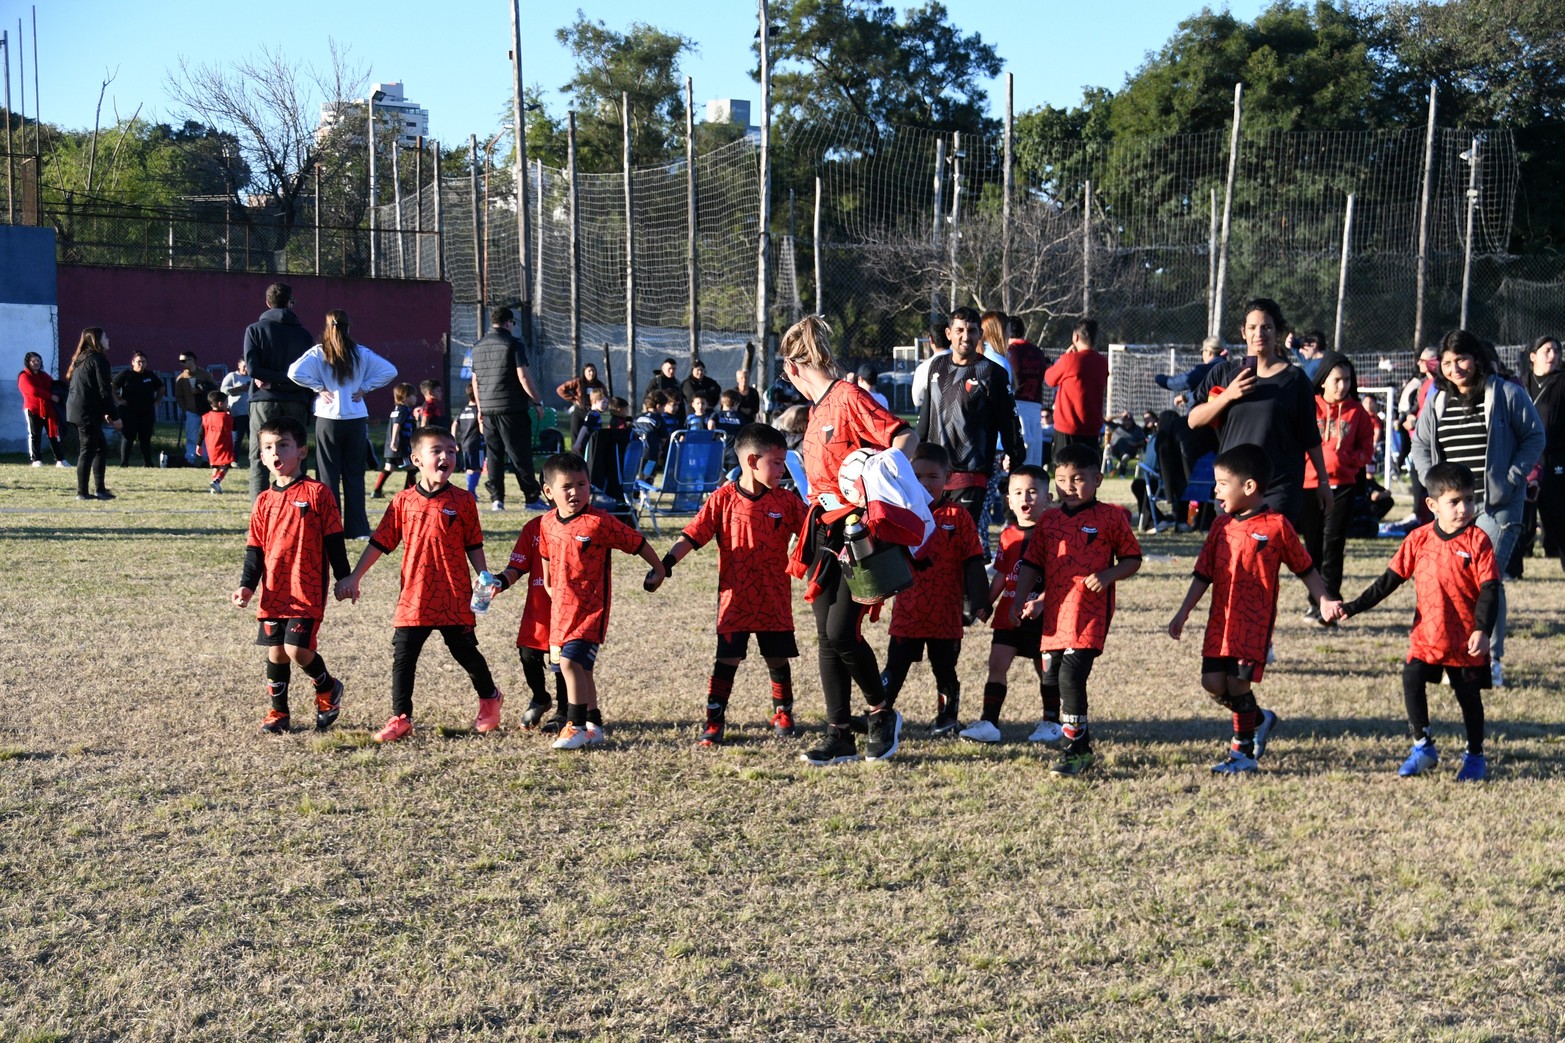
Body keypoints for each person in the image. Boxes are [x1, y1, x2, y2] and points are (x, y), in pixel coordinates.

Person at [782, 315, 917, 766]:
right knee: (826, 635)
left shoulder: (846, 396)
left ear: (794, 368)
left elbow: (904, 436)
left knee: (842, 630)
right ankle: (839, 732)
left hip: (857, 531)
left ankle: (881, 713)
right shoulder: (817, 409)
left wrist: (874, 477)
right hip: (823, 529)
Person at [1166, 444, 1338, 774]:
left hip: (1252, 626)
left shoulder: (1277, 526)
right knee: (1213, 683)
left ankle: (1242, 755)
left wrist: (1324, 598)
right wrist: (1183, 612)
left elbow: (1305, 568)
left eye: (1221, 483)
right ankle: (1259, 719)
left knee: (1239, 685)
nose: (1215, 490)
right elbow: (1203, 574)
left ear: (1249, 487)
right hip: (1221, 623)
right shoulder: (1220, 527)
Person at [1322, 463, 1497, 782]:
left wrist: (1482, 630)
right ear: (1432, 505)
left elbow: (1491, 589)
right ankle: (1423, 747)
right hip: (1427, 635)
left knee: (1468, 697)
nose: (1464, 508)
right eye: (1454, 502)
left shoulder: (1478, 541)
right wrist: (1353, 607)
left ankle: (1475, 755)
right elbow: (1388, 581)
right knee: (1411, 679)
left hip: (1465, 640)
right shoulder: (1418, 539)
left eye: (1470, 500)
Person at [335, 427, 507, 743]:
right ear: (416, 459)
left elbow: (474, 544)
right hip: (415, 595)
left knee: (465, 652)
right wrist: (354, 577)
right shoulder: (402, 501)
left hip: (453, 594)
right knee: (404, 655)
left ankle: (489, 697)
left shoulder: (464, 500)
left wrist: (484, 577)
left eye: (452, 451)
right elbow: (380, 543)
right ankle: (401, 718)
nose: (446, 457)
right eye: (437, 451)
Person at [1409, 329, 1544, 688]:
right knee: (1457, 580)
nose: (1455, 369)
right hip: (1452, 509)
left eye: (1462, 360)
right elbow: (1420, 445)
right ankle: (1458, 656)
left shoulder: (1506, 393)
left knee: (1486, 581)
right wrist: (1432, 482)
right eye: (1448, 363)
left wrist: (1514, 475)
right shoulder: (1436, 400)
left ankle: (1491, 660)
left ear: (1477, 359)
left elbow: (1535, 436)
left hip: (1496, 506)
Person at [660, 423, 807, 745]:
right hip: (735, 600)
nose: (783, 470)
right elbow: (692, 535)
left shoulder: (786, 501)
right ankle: (715, 720)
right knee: (727, 659)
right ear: (752, 461)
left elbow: (812, 532)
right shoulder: (722, 499)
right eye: (777, 463)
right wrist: (665, 565)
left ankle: (783, 710)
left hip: (774, 598)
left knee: (777, 658)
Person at [1013, 442, 1143, 776]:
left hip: (1089, 615)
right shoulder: (1049, 519)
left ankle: (1073, 752)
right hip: (1055, 615)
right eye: (1061, 479)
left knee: (1071, 676)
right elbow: (1032, 562)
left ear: (1097, 479)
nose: (1069, 486)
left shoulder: (1110, 517)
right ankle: (1082, 746)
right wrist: (1020, 598)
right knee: (1052, 678)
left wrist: (1108, 574)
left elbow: (1132, 559)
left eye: (1078, 478)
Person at [533, 452, 668, 750]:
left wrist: (659, 569)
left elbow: (638, 543)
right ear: (548, 492)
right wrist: (550, 585)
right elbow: (545, 554)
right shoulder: (546, 523)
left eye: (582, 485)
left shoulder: (599, 522)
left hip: (590, 610)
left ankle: (576, 725)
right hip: (561, 611)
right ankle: (594, 724)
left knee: (570, 663)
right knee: (580, 669)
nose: (575, 492)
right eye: (567, 486)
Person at [232, 415, 349, 735]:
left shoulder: (318, 494)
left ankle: (327, 688)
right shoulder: (263, 501)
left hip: (306, 587)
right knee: (276, 651)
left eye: (283, 445)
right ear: (260, 455)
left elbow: (334, 539)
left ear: (302, 451)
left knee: (297, 649)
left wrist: (344, 577)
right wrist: (246, 586)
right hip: (274, 589)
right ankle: (278, 712)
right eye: (268, 447)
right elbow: (255, 549)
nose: (275, 453)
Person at [1191, 298, 1330, 525]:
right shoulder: (1224, 373)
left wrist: (1323, 483)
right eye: (1252, 327)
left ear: (1277, 332)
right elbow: (1193, 420)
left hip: (1277, 487)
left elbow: (1310, 437)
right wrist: (1228, 395)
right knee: (1232, 558)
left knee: (1264, 556)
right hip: (1231, 486)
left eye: (1266, 327)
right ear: (1243, 333)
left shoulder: (1295, 380)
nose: (1259, 333)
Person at [882, 443, 987, 736]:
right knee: (896, 665)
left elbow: (974, 560)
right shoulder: (901, 514)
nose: (925, 483)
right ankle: (880, 712)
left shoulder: (958, 517)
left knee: (945, 669)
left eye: (932, 477)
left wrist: (979, 599)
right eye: (917, 476)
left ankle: (947, 718)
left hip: (945, 614)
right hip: (908, 611)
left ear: (948, 477)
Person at [960, 465, 1056, 745]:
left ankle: (1051, 722)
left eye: (1033, 492)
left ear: (1048, 498)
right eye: (1018, 493)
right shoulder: (1008, 535)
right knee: (997, 664)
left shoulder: (1055, 532)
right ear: (1010, 501)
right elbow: (1002, 574)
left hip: (1043, 616)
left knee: (1047, 671)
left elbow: (1062, 578)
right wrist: (986, 603)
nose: (1025, 498)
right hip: (1009, 613)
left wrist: (1040, 601)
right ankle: (989, 722)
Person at [287, 309, 399, 539]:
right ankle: (358, 530)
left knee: (327, 475)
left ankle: (330, 528)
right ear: (349, 327)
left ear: (327, 327)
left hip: (327, 420)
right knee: (354, 475)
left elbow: (293, 372)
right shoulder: (360, 352)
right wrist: (365, 387)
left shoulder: (318, 352)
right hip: (355, 419)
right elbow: (390, 371)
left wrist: (318, 388)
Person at [916, 305, 1023, 536]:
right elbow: (926, 415)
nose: (966, 337)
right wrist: (913, 454)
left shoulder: (992, 372)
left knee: (959, 539)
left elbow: (1009, 422)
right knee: (931, 539)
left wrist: (1016, 460)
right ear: (948, 333)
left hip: (971, 474)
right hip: (934, 473)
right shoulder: (937, 366)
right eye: (960, 330)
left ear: (979, 334)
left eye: (972, 331)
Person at [1299, 357, 1374, 618]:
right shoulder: (1308, 408)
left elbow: (1367, 448)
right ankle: (1315, 600)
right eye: (1337, 380)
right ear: (1322, 382)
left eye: (1347, 380)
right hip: (1309, 485)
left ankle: (1331, 599)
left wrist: (1349, 462)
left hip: (1343, 486)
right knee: (1313, 544)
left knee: (1333, 543)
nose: (1342, 386)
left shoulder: (1357, 412)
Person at [488, 513, 568, 734]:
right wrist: (501, 581)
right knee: (528, 654)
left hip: (568, 607)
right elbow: (517, 565)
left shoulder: (586, 525)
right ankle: (540, 698)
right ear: (548, 491)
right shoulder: (534, 527)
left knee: (562, 660)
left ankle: (564, 711)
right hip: (539, 608)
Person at [470, 306, 547, 512]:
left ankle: (497, 499)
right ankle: (531, 498)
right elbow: (523, 376)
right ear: (509, 323)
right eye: (513, 323)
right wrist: (537, 402)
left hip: (487, 409)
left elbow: (475, 380)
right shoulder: (513, 344)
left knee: (493, 455)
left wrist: (480, 408)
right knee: (519, 454)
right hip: (511, 408)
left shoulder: (477, 347)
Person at [243, 283, 315, 498]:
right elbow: (307, 374)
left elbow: (253, 369)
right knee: (296, 455)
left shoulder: (254, 330)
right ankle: (297, 505)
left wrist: (272, 383)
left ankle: (260, 512)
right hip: (296, 400)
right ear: (290, 302)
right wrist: (289, 382)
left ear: (267, 302)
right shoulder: (304, 335)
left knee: (260, 455)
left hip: (264, 400)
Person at [1516, 335, 1563, 576]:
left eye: (1556, 350)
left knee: (1554, 505)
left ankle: (1552, 546)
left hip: (1555, 457)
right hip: (1526, 455)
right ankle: (1523, 549)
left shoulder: (1561, 382)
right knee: (1524, 505)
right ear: (1533, 356)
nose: (1553, 355)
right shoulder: (1521, 384)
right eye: (1548, 350)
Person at [64, 327, 122, 501]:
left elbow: (92, 389)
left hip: (77, 410)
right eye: (105, 336)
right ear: (96, 340)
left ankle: (100, 489)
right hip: (85, 412)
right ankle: (82, 493)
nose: (108, 338)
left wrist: (104, 411)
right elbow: (104, 390)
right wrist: (115, 415)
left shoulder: (81, 359)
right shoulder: (98, 359)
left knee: (99, 448)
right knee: (88, 451)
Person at [1044, 318, 1109, 463]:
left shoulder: (1070, 360)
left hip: (1068, 425)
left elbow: (1049, 378)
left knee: (1065, 467)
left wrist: (1065, 357)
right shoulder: (1102, 362)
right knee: (1086, 469)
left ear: (1076, 337)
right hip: (1091, 425)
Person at [1005, 316, 1048, 467]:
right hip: (1035, 407)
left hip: (1016, 406)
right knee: (1033, 462)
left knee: (1014, 461)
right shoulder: (1037, 352)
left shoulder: (1010, 352)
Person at [18, 352, 67, 467]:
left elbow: (53, 385)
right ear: (28, 363)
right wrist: (51, 396)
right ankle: (36, 460)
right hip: (33, 409)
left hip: (48, 410)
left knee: (53, 434)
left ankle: (60, 460)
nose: (36, 363)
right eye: (33, 361)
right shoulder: (24, 376)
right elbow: (32, 391)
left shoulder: (44, 375)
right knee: (35, 435)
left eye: (38, 361)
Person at [113, 351, 162, 467]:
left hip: (146, 412)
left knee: (145, 438)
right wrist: (117, 400)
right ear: (133, 363)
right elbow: (112, 385)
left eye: (143, 362)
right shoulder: (126, 374)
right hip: (128, 411)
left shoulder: (150, 375)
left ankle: (148, 463)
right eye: (138, 362)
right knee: (128, 437)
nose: (141, 364)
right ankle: (124, 463)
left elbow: (161, 388)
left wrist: (158, 400)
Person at [373, 383, 418, 498]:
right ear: (405, 396)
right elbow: (397, 425)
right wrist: (394, 441)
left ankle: (377, 491)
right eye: (413, 396)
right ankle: (409, 492)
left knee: (389, 467)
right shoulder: (404, 410)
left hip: (391, 448)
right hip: (400, 447)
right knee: (413, 467)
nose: (416, 398)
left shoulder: (397, 409)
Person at [173, 352, 217, 465]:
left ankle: (206, 458)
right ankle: (190, 458)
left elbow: (214, 389)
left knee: (207, 435)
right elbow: (179, 396)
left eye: (184, 361)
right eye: (180, 361)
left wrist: (202, 390)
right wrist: (185, 408)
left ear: (192, 360)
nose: (181, 363)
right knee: (191, 435)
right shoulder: (181, 378)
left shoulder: (204, 374)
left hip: (206, 410)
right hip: (191, 411)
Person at [556, 362, 607, 443]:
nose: (592, 373)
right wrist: (573, 399)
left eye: (593, 371)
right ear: (584, 372)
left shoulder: (599, 384)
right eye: (589, 371)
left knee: (591, 437)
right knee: (576, 435)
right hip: (579, 411)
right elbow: (560, 390)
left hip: (592, 413)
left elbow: (605, 396)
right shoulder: (578, 382)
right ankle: (576, 453)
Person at [199, 390, 236, 494]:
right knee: (226, 466)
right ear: (220, 404)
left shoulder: (206, 416)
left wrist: (198, 445)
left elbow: (201, 431)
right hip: (224, 446)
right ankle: (217, 481)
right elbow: (234, 427)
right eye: (226, 402)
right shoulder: (226, 417)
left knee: (215, 466)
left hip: (211, 446)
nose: (227, 404)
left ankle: (213, 488)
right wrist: (230, 415)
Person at [452, 384, 485, 500]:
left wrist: (454, 440)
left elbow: (455, 424)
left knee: (469, 468)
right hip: (477, 444)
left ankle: (471, 491)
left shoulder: (463, 410)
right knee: (477, 468)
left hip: (465, 444)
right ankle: (471, 492)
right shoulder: (479, 411)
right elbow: (482, 429)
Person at [219, 358, 250, 456]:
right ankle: (233, 458)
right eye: (244, 366)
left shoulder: (253, 377)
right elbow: (224, 390)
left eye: (248, 366)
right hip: (237, 413)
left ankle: (257, 459)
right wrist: (239, 389)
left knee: (254, 438)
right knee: (236, 438)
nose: (246, 369)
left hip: (251, 412)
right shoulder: (232, 376)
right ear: (239, 365)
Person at [978, 309, 1015, 382]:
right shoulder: (999, 362)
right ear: (1000, 333)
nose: (1010, 335)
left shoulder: (987, 355)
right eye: (1009, 330)